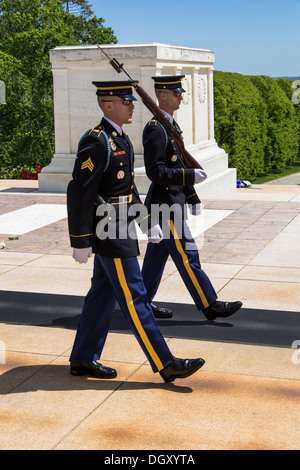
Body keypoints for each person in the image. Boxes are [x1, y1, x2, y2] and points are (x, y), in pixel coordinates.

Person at [66, 80, 205, 383]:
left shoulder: (122, 140)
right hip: (110, 231)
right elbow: (79, 192)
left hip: (121, 226)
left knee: (102, 294)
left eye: (131, 101)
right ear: (108, 105)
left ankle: (82, 358)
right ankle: (166, 363)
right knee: (136, 297)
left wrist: (146, 221)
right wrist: (80, 240)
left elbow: (127, 190)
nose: (132, 106)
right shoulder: (97, 141)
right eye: (125, 101)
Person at [141, 75, 242, 321]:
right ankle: (210, 304)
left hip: (171, 203)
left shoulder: (170, 126)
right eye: (177, 93)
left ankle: (139, 303)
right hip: (164, 206)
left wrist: (192, 196)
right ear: (162, 95)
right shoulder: (156, 130)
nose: (181, 97)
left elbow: (178, 162)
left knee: (155, 262)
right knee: (188, 256)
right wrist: (189, 175)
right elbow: (156, 172)